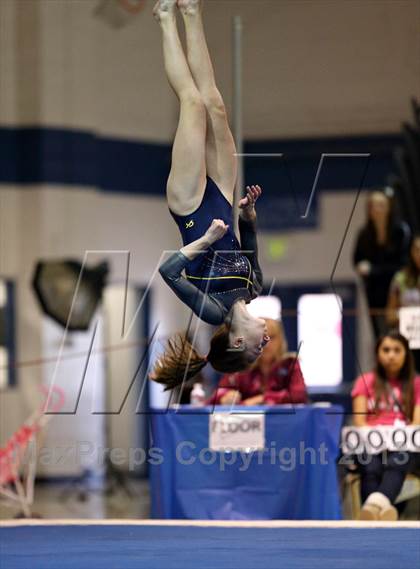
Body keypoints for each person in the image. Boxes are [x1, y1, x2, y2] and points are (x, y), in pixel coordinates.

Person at [151, 0, 269, 389]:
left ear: (236, 342)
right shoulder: (255, 288)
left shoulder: (212, 310)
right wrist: (249, 214)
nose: (264, 344)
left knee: (193, 105)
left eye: (255, 350)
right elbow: (248, 239)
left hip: (189, 208)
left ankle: (166, 18)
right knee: (215, 105)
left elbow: (169, 271)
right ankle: (190, 9)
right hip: (221, 199)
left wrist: (205, 239)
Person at [351, 331, 420, 520]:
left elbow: (416, 422)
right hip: (371, 443)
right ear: (377, 353)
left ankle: (372, 508)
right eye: (386, 350)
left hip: (404, 444)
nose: (391, 355)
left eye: (397, 350)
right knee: (371, 467)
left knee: (397, 462)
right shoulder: (365, 381)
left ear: (406, 354)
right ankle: (385, 511)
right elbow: (359, 421)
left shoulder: (416, 383)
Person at [207, 319, 308, 406]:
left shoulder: (290, 364)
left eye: (271, 337)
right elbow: (218, 393)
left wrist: (263, 399)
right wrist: (225, 396)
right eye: (260, 337)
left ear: (280, 340)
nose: (266, 344)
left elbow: (298, 394)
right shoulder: (242, 364)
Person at [353, 190, 410, 339]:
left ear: (389, 207)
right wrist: (362, 268)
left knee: (401, 336)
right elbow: (356, 260)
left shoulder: (401, 231)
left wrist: (373, 270)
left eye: (380, 205)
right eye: (372, 205)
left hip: (398, 291)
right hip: (374, 292)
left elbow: (402, 266)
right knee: (380, 336)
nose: (376, 209)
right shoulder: (364, 234)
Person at [386, 234, 420, 371]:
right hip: (408, 339)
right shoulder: (400, 278)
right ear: (411, 252)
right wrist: (404, 315)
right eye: (417, 249)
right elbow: (389, 316)